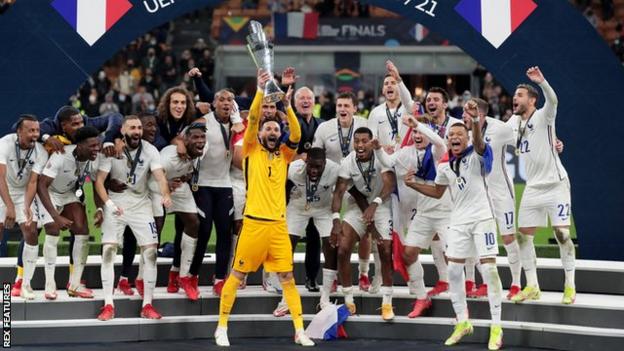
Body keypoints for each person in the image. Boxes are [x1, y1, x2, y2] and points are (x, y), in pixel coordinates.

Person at [214, 70, 314, 347]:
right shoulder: (249, 150)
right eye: (267, 129)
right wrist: (260, 91)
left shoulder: (284, 153)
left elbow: (295, 132)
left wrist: (287, 106)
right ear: (258, 133)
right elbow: (255, 116)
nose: (272, 131)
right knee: (237, 276)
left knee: (288, 279)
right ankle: (221, 326)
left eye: (275, 129)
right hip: (254, 224)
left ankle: (299, 330)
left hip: (279, 227)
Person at [406, 100, 503, 350]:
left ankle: (496, 326)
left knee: (489, 270)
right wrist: (413, 183)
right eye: (451, 136)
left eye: (459, 134)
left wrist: (474, 123)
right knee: (453, 272)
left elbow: (480, 144)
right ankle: (462, 322)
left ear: (468, 137)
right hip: (458, 221)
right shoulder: (445, 165)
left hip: (483, 219)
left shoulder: (480, 153)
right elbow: (438, 191)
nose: (454, 138)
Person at [508, 67, 576, 305]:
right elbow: (496, 133)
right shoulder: (514, 123)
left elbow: (554, 100)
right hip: (532, 188)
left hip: (556, 185)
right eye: (514, 95)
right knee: (524, 237)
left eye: (519, 95)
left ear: (532, 100)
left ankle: (569, 286)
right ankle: (532, 286)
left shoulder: (544, 115)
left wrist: (542, 81)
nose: (514, 99)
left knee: (562, 234)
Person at [94, 115, 172, 321]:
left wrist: (165, 194)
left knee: (151, 253)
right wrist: (108, 205)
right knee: (109, 251)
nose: (137, 131)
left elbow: (160, 176)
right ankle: (108, 305)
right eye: (132, 128)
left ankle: (147, 304)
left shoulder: (150, 150)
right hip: (117, 202)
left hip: (141, 204)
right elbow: (99, 182)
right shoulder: (111, 150)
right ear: (122, 130)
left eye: (139, 128)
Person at [373, 116, 449, 318]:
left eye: (420, 132)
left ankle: (461, 298)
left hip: (445, 213)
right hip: (424, 214)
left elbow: (440, 141)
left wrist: (419, 125)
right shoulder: (406, 152)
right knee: (408, 253)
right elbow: (388, 162)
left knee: (454, 256)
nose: (417, 135)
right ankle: (422, 297)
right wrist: (378, 148)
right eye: (414, 132)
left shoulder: (437, 151)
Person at [313, 92, 377, 294]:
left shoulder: (364, 124)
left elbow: (372, 151)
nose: (342, 109)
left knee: (363, 229)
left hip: (358, 182)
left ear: (354, 108)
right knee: (329, 230)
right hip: (332, 184)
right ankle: (331, 276)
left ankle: (364, 274)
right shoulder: (325, 128)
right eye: (339, 105)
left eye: (346, 105)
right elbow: (316, 154)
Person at [330, 127, 396, 321]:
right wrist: (335, 219)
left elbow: (389, 184)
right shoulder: (347, 162)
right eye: (356, 141)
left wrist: (374, 206)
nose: (359, 145)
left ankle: (387, 303)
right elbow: (340, 192)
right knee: (342, 249)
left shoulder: (380, 156)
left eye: (364, 141)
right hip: (357, 206)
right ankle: (349, 299)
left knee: (385, 250)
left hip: (382, 204)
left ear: (370, 141)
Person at [463, 98, 522, 300]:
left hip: (501, 191)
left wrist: (554, 144)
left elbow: (524, 141)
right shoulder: (463, 130)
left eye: (469, 109)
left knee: (507, 238)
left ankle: (516, 284)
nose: (464, 113)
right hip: (478, 194)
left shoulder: (501, 129)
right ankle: (484, 283)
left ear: (480, 113)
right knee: (477, 238)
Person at [37, 126, 102, 300]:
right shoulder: (61, 155)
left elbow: (97, 185)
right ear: (80, 146)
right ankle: (49, 285)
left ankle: (74, 285)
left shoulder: (94, 158)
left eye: (98, 145)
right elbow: (41, 185)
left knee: (83, 231)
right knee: (52, 230)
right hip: (49, 192)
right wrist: (56, 216)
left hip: (68, 194)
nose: (97, 149)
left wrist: (99, 208)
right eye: (92, 146)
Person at [274, 148, 340, 315]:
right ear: (305, 162)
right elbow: (279, 184)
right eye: (310, 166)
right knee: (286, 247)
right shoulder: (294, 169)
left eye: (318, 167)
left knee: (331, 246)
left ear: (325, 163)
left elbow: (342, 191)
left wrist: (337, 218)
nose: (313, 170)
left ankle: (325, 298)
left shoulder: (335, 170)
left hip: (324, 209)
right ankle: (285, 299)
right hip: (298, 207)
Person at [190, 88, 239, 296]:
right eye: (222, 100)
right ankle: (192, 277)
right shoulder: (204, 121)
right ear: (214, 103)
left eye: (230, 100)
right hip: (203, 183)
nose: (226, 103)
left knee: (225, 232)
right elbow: (188, 140)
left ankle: (220, 278)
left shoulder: (238, 125)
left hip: (224, 183)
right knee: (204, 230)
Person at [418, 86, 463, 297]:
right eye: (428, 100)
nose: (431, 103)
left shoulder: (456, 125)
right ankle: (443, 279)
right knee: (436, 235)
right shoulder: (425, 126)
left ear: (445, 104)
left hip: (452, 187)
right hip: (432, 184)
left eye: (435, 99)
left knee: (454, 237)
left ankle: (465, 282)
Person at [0, 115, 48, 300]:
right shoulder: (4, 143)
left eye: (37, 130)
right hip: (2, 188)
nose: (35, 134)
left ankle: (24, 283)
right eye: (31, 130)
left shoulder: (41, 151)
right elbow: (1, 177)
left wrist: (26, 206)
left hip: (22, 192)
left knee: (31, 231)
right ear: (19, 131)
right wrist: (9, 207)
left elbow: (33, 182)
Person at [158, 123, 206, 300]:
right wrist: (164, 185)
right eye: (195, 137)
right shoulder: (169, 157)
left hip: (180, 185)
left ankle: (182, 276)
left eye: (202, 138)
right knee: (155, 233)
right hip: (157, 187)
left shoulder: (200, 149)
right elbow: (153, 173)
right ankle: (141, 279)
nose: (200, 141)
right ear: (184, 140)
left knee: (193, 223)